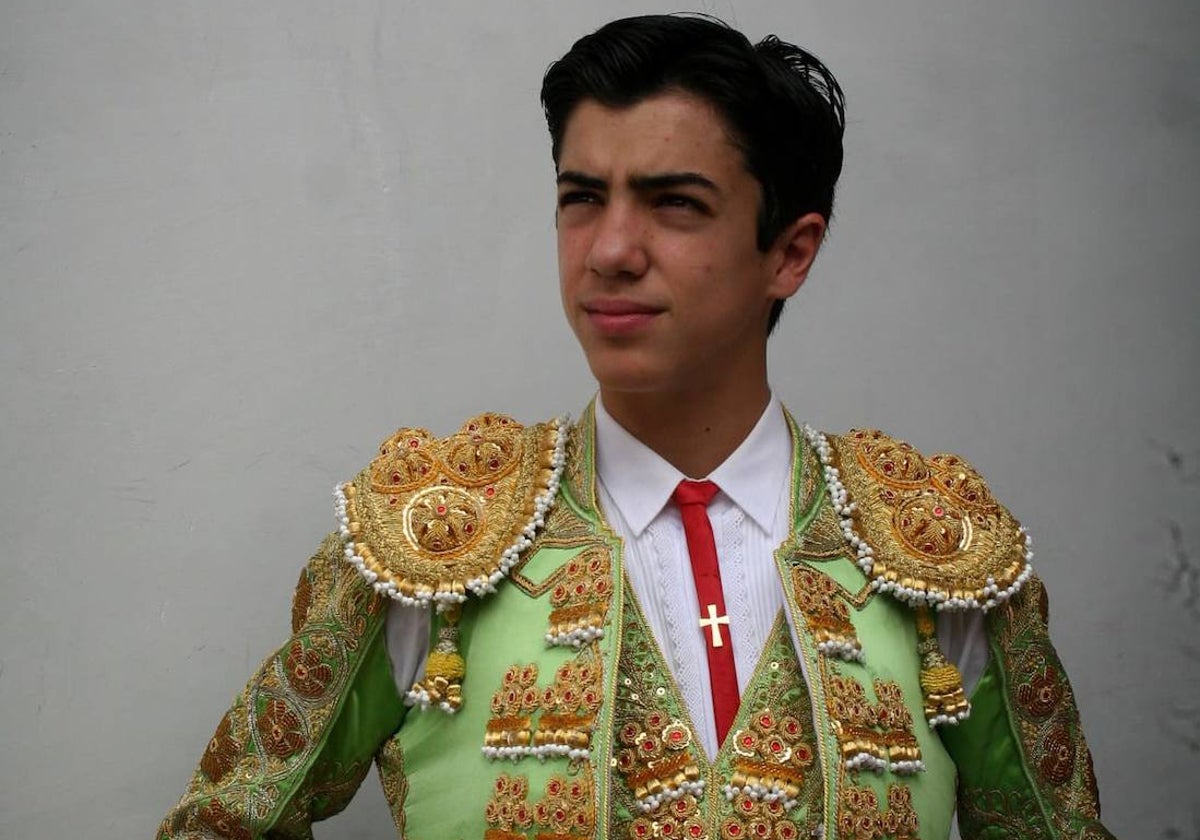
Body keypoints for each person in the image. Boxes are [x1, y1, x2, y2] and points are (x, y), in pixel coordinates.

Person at [159, 14, 1113, 839]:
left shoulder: (936, 556)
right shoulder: (431, 544)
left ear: (790, 252)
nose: (610, 251)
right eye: (582, 199)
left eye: (675, 204)